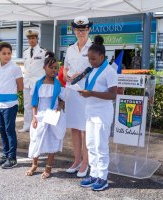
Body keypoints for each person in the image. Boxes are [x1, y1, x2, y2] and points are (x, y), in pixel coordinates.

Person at [78, 35, 117, 191]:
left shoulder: (109, 71)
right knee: (91, 145)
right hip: (91, 112)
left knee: (101, 146)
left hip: (102, 113)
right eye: (89, 58)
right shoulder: (93, 70)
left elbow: (113, 94)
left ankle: (103, 177)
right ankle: (93, 174)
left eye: (93, 59)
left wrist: (91, 93)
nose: (90, 62)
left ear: (102, 57)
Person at [25, 51, 65, 179]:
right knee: (36, 138)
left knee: (51, 140)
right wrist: (34, 118)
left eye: (56, 68)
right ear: (44, 68)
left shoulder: (58, 85)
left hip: (52, 115)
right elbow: (35, 102)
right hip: (40, 115)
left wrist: (58, 109)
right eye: (51, 67)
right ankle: (34, 164)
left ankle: (48, 167)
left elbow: (62, 101)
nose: (54, 70)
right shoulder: (38, 84)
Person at [63, 16, 93, 177]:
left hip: (86, 93)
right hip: (71, 92)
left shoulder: (94, 47)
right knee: (75, 128)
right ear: (74, 30)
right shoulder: (70, 48)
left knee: (86, 129)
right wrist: (67, 74)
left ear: (89, 29)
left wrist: (80, 75)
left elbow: (96, 69)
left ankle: (86, 162)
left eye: (84, 29)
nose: (80, 32)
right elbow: (65, 67)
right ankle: (77, 160)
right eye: (78, 29)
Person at [0, 42, 24, 169]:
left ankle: (12, 158)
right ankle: (5, 155)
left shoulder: (15, 68)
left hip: (10, 105)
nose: (7, 56)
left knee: (9, 130)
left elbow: (20, 87)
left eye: (9, 53)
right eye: (4, 53)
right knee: (1, 130)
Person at [19, 29, 46, 133]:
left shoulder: (43, 52)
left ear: (37, 39)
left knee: (39, 105)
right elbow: (26, 67)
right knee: (27, 105)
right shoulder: (25, 52)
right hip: (27, 83)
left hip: (38, 83)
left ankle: (38, 125)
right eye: (29, 38)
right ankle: (27, 125)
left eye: (33, 38)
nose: (31, 40)